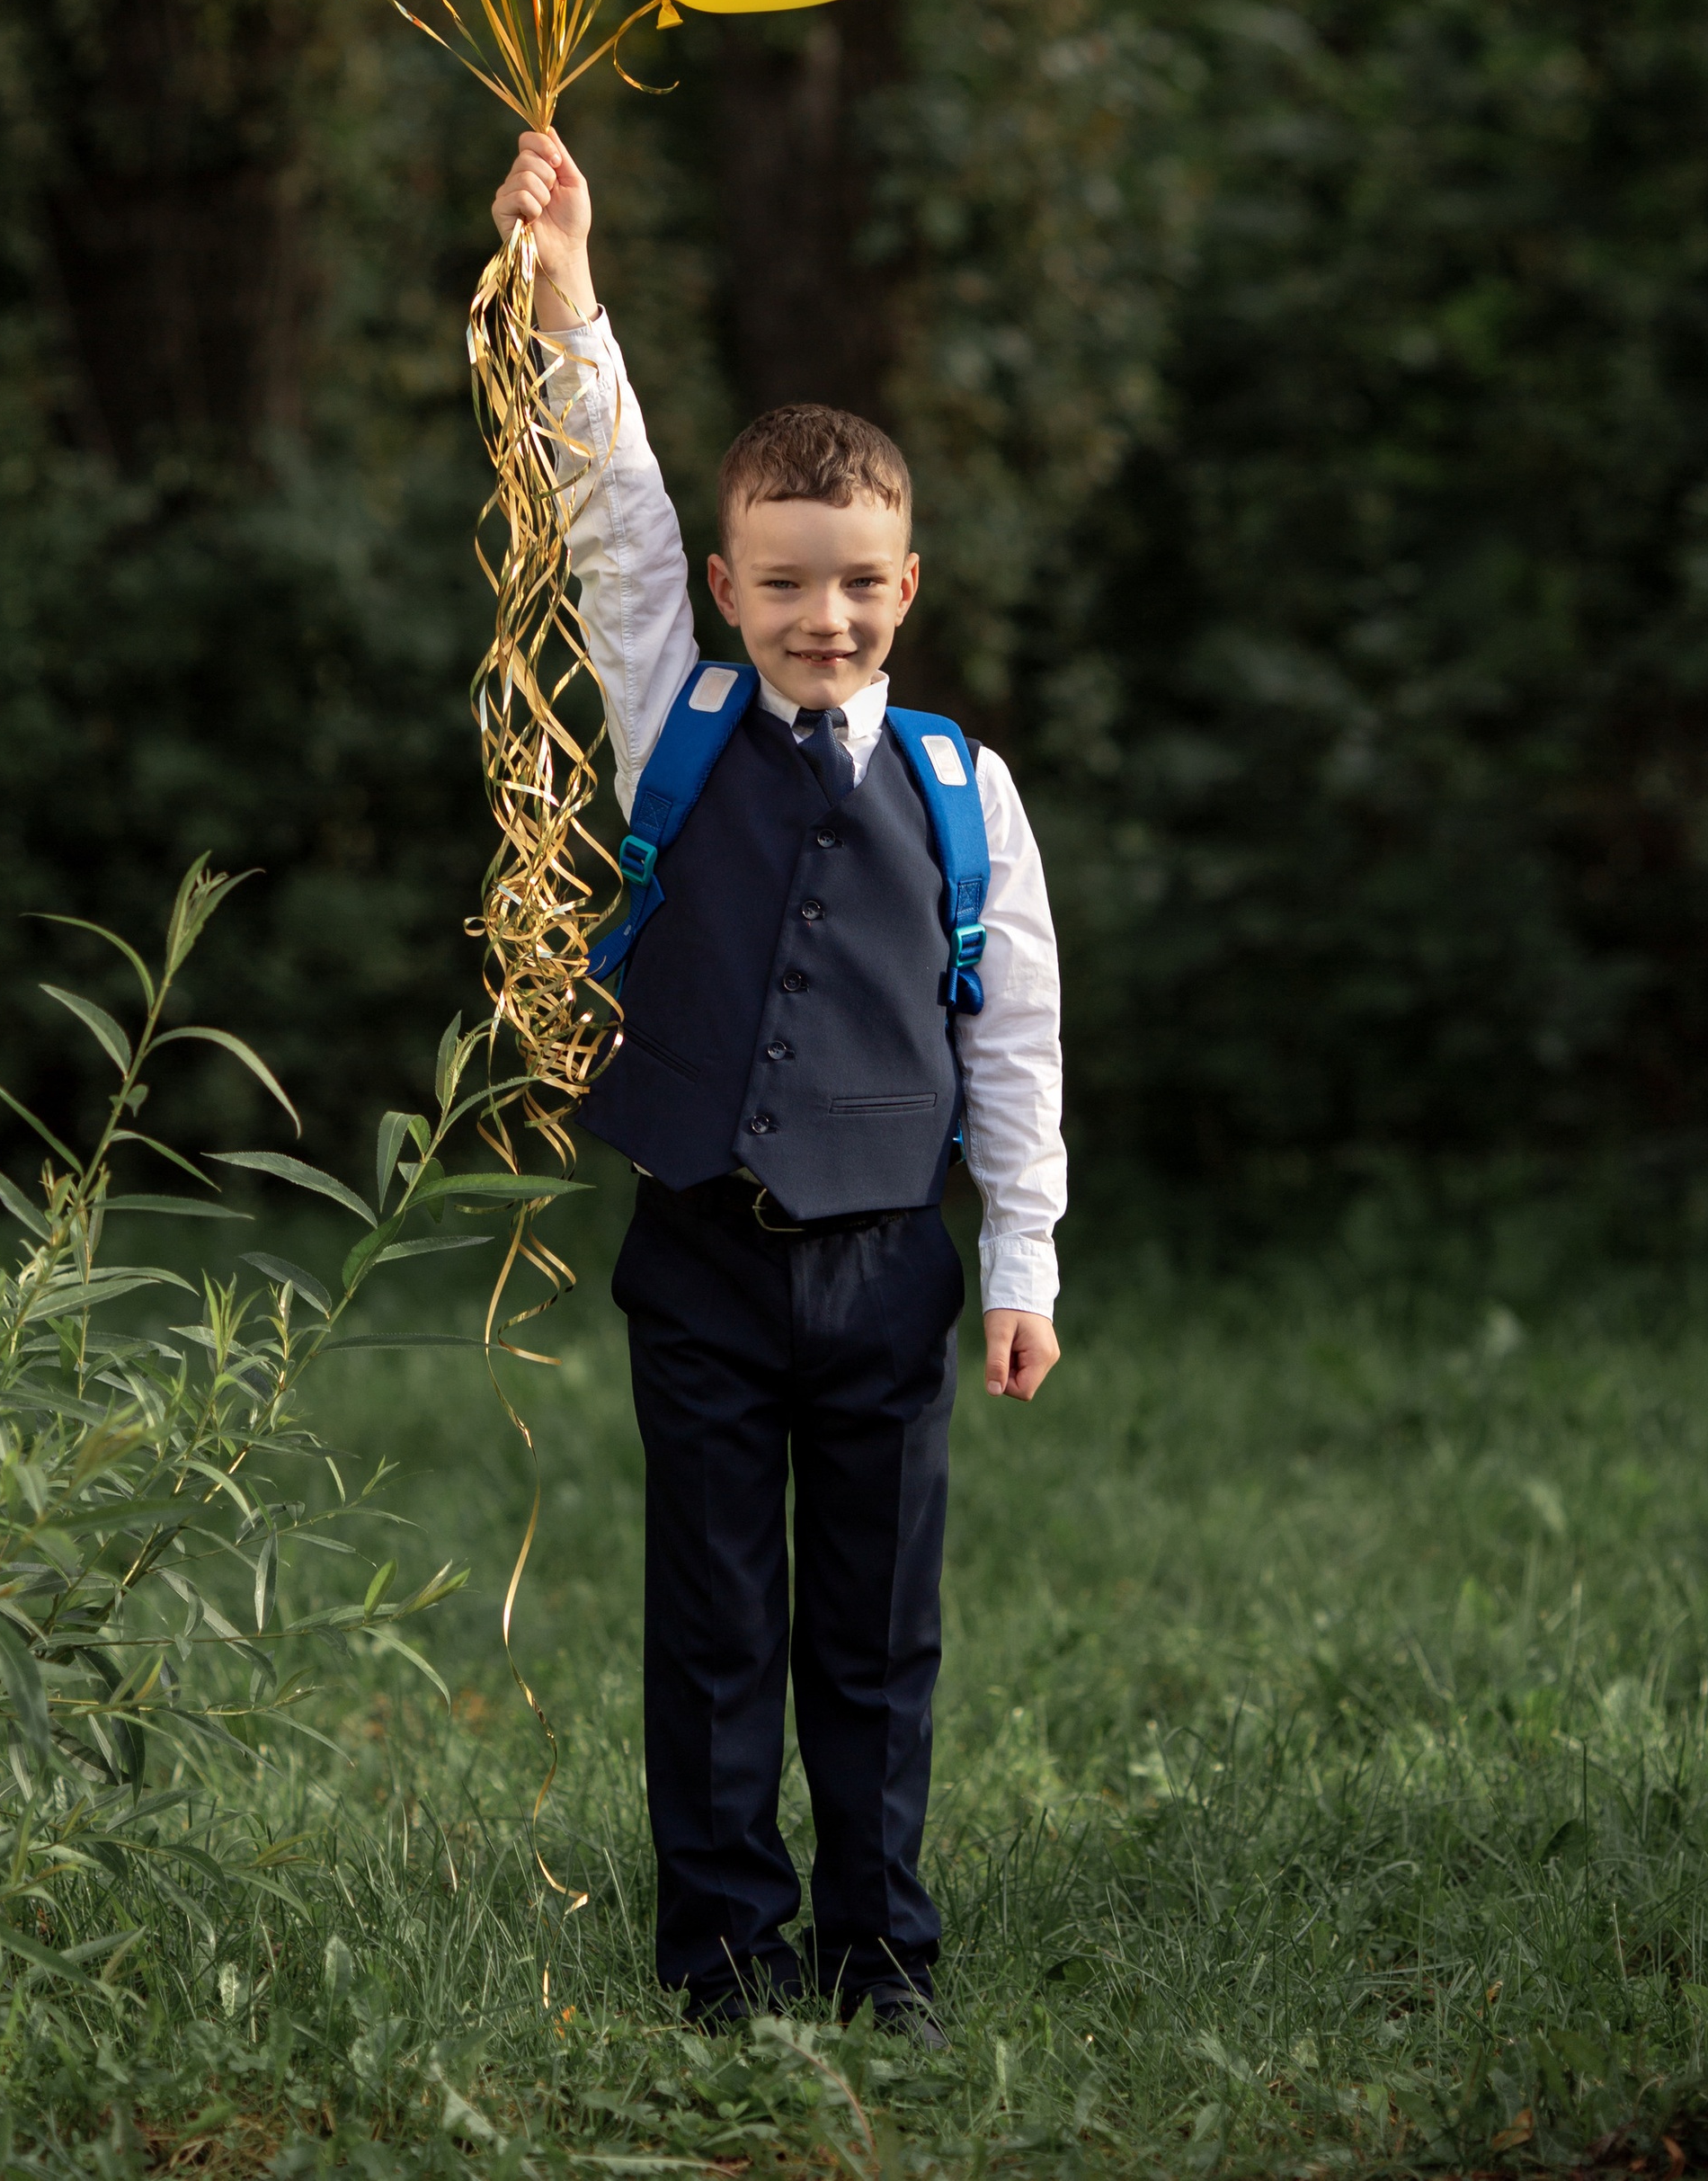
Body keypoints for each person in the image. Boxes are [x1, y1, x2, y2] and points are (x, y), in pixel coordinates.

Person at [490, 125, 1065, 2046]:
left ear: (909, 585)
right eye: (787, 584)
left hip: (888, 1266)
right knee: (717, 1617)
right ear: (729, 587)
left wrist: (1022, 1262)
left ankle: (881, 1948)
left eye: (860, 586)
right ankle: (722, 1955)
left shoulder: (967, 792)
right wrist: (568, 288)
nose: (826, 618)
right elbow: (608, 510)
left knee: (878, 1631)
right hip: (703, 1256)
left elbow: (1014, 1037)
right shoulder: (673, 709)